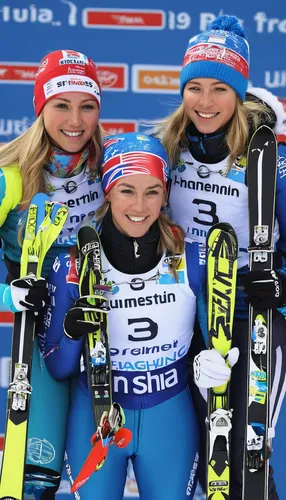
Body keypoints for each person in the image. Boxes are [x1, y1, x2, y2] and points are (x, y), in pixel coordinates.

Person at [156, 14, 286, 500]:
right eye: (194, 87)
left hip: (252, 320)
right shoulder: (167, 149)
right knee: (204, 469)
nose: (205, 103)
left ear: (240, 93)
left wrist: (279, 285)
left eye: (220, 89)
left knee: (248, 462)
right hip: (184, 321)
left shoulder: (266, 156)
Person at [42, 132, 212, 500]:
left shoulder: (193, 260)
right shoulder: (73, 265)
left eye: (152, 191)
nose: (140, 205)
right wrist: (72, 332)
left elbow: (213, 341)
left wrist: (214, 363)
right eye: (126, 190)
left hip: (170, 414)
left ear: (165, 193)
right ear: (106, 191)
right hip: (97, 414)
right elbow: (57, 367)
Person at [0, 49, 105, 497]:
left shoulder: (112, 169)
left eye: (87, 105)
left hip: (106, 342)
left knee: (98, 479)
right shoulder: (11, 177)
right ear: (41, 106)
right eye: (61, 104)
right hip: (40, 348)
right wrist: (8, 297)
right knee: (35, 484)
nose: (75, 120)